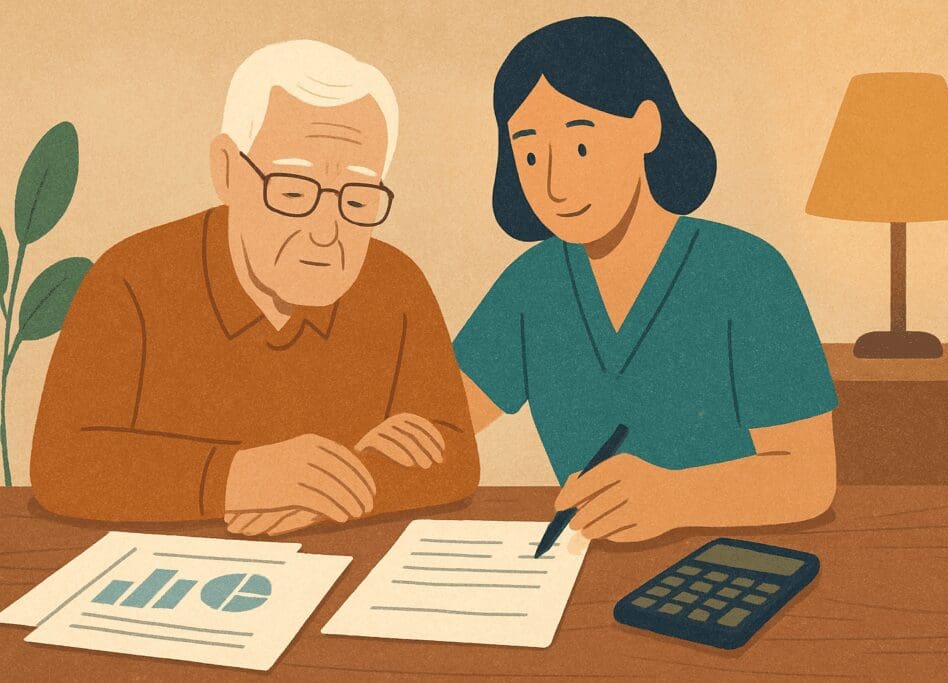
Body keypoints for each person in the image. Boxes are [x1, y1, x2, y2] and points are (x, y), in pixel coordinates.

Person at [31, 40, 479, 534]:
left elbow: (452, 452)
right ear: (227, 170)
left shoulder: (395, 284)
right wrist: (237, 479)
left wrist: (339, 486)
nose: (326, 232)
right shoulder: (135, 276)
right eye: (292, 191)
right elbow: (63, 464)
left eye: (357, 199)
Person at [455, 17, 837, 543]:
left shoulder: (747, 272)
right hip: (582, 566)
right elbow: (445, 421)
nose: (555, 185)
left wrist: (677, 497)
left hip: (735, 563)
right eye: (529, 154)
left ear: (646, 127)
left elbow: (809, 477)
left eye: (581, 146)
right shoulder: (532, 285)